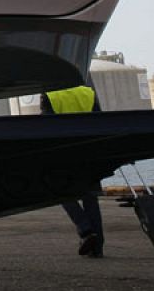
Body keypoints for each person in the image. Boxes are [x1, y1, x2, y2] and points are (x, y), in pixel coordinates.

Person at [42, 84, 105, 257]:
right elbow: (101, 122)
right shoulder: (88, 93)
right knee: (91, 197)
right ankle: (97, 247)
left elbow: (45, 126)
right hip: (89, 151)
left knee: (60, 192)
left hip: (65, 152)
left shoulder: (51, 94)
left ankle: (85, 230)